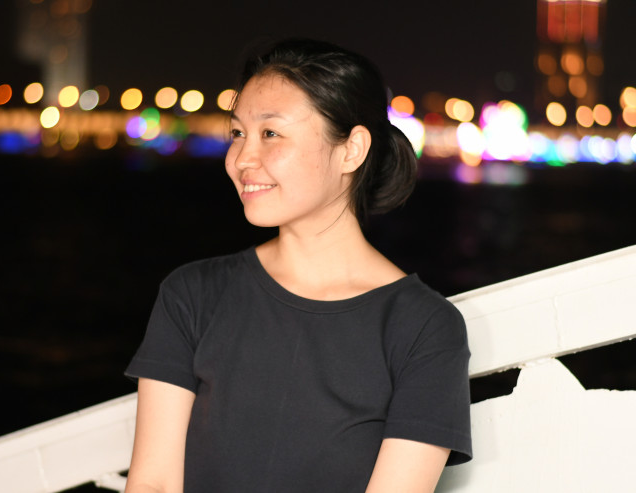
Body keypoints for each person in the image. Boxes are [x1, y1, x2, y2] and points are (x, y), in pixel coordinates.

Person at [124, 38, 471, 493]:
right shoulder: (193, 294)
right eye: (237, 133)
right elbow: (153, 483)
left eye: (270, 133)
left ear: (351, 150)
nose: (242, 159)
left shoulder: (422, 328)